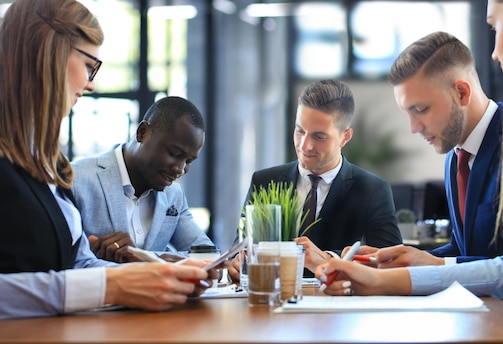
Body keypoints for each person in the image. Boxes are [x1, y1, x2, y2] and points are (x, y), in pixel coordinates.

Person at [315, 0, 503, 337]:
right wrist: (412, 262)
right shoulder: (457, 159)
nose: (494, 52)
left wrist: (398, 278)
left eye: (495, 25)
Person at [0, 0, 221, 319]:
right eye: (90, 65)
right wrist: (111, 284)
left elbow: (78, 264)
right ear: (49, 53)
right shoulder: (70, 175)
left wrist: (154, 273)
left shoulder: (45, 166)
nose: (91, 83)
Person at [356, 31, 503, 268]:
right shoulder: (454, 157)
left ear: (461, 93)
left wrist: (432, 265)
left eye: (422, 109)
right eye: (408, 112)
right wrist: (402, 260)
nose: (414, 127)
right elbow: (463, 249)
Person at [228, 79, 402, 280]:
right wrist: (237, 263)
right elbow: (239, 249)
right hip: (271, 303)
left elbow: (390, 264)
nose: (305, 145)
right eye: (300, 130)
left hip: (337, 305)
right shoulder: (264, 181)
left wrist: (328, 260)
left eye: (319, 136)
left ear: (345, 137)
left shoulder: (373, 189)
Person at [71, 96, 214, 263]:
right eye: (175, 154)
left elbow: (209, 258)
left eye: (189, 161)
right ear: (142, 133)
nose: (180, 169)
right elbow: (67, 263)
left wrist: (146, 258)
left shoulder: (173, 195)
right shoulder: (76, 179)